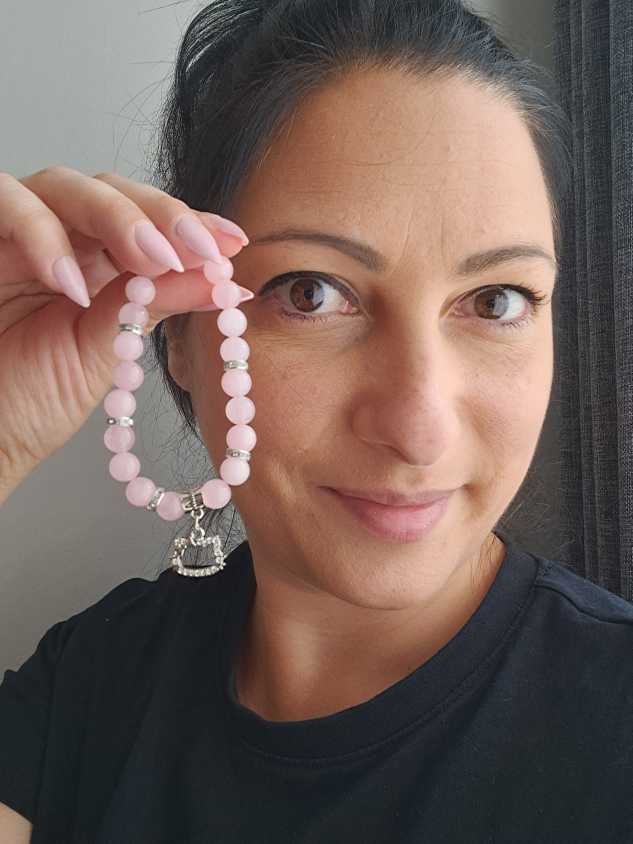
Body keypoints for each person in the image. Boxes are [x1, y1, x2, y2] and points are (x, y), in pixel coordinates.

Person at [1, 1, 632, 842]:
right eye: (310, 293)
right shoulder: (91, 686)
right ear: (177, 334)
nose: (418, 428)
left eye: (495, 300)